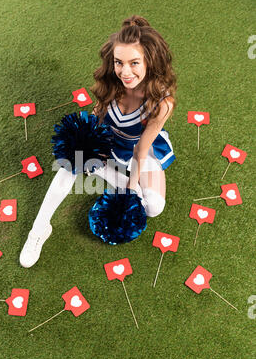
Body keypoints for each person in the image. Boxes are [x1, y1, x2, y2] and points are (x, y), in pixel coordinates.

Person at [19, 15, 177, 268]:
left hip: (138, 150)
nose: (125, 72)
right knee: (69, 165)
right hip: (106, 139)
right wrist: (85, 144)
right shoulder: (112, 82)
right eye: (119, 62)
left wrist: (128, 192)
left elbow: (140, 151)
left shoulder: (162, 102)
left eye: (134, 62)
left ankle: (105, 172)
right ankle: (39, 229)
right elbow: (96, 116)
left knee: (153, 207)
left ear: (150, 60)